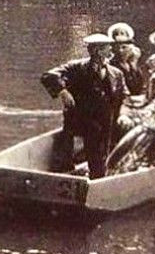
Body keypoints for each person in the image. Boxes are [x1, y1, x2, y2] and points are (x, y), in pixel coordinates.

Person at [40, 33, 127, 179]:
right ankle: (67, 175)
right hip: (80, 122)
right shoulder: (76, 67)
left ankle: (97, 181)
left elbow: (123, 97)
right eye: (107, 47)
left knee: (99, 162)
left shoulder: (116, 73)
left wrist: (123, 113)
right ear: (97, 51)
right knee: (70, 154)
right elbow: (49, 76)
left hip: (105, 125)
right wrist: (63, 91)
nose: (111, 49)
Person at [106, 22, 146, 96]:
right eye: (117, 47)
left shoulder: (133, 62)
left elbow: (141, 84)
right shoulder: (111, 64)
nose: (120, 51)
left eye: (124, 47)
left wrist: (134, 64)